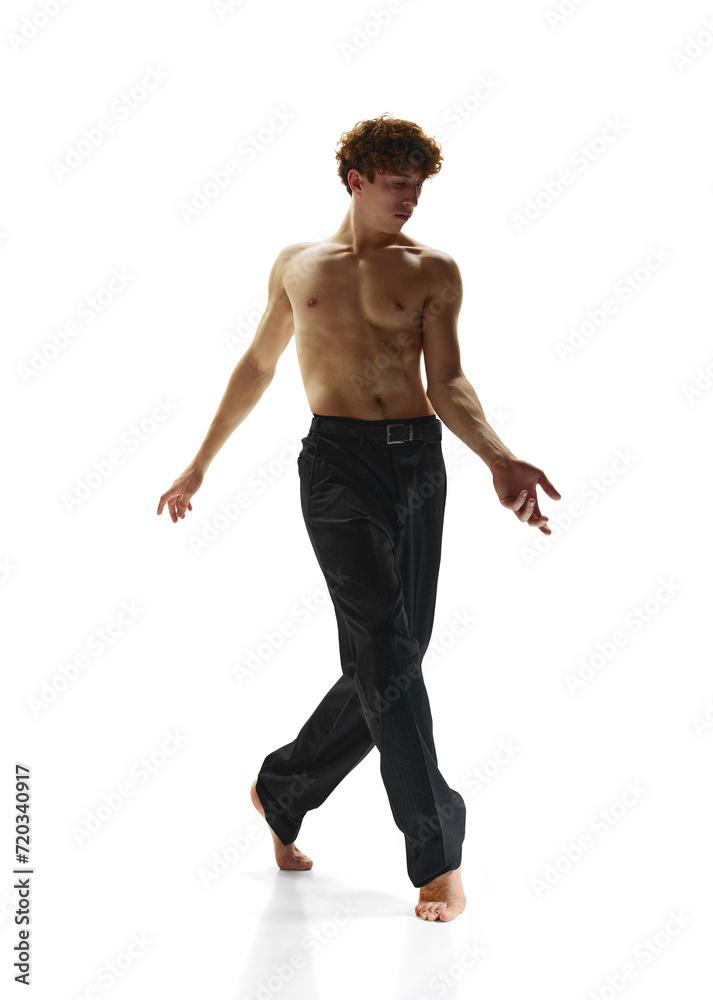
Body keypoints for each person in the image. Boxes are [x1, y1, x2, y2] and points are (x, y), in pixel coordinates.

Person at [157, 112, 560, 922]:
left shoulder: (434, 269)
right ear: (356, 179)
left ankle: (282, 787)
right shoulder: (299, 265)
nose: (411, 199)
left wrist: (499, 457)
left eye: (419, 185)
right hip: (336, 465)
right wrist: (200, 461)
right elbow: (260, 363)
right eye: (396, 183)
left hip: (417, 464)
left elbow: (448, 382)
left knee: (395, 654)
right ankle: (438, 854)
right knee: (385, 648)